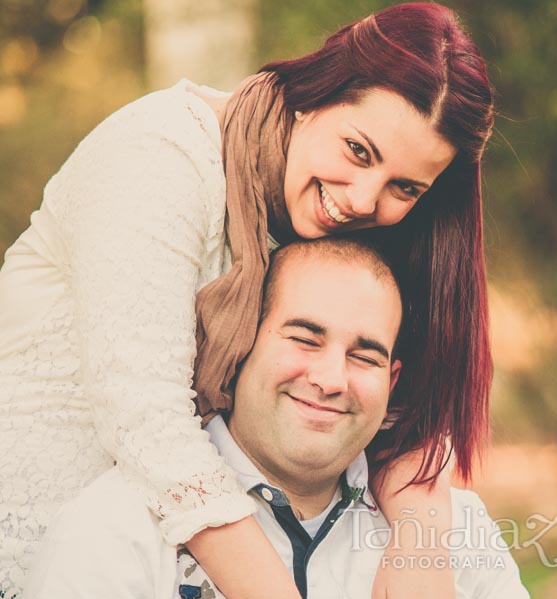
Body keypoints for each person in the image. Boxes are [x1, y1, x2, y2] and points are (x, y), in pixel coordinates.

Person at [0, 4, 494, 598]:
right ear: (316, 93)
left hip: (178, 557)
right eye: (359, 151)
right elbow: (145, 419)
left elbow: (398, 406)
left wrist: (420, 553)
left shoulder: (330, 225)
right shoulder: (161, 157)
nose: (364, 199)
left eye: (405, 187)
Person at [24, 238, 529, 599]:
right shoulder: (118, 525)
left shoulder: (454, 531)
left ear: (392, 382)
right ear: (240, 344)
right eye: (305, 338)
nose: (332, 378)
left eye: (365, 356)